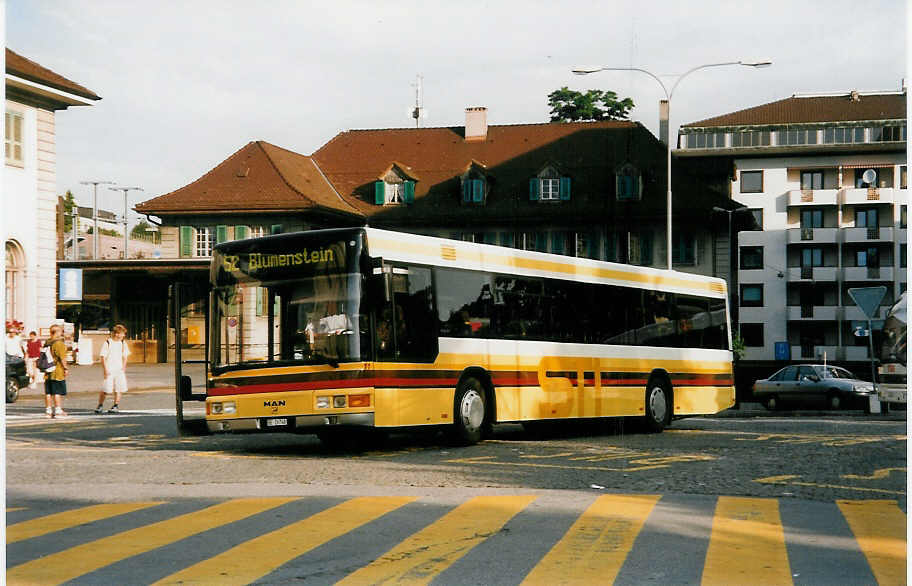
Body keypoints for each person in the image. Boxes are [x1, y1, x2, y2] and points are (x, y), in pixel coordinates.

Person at [96, 324, 130, 414]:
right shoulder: (108, 342)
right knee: (106, 388)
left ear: (123, 334)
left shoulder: (123, 343)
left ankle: (115, 405)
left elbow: (125, 357)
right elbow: (103, 357)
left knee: (119, 388)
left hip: (119, 369)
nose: (118, 335)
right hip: (110, 368)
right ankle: (100, 405)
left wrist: (123, 367)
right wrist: (105, 369)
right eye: (116, 333)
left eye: (120, 333)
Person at [44, 324, 68, 418]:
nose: (61, 333)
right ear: (57, 332)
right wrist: (65, 368)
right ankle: (58, 410)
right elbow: (62, 358)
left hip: (47, 370)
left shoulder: (47, 342)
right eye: (61, 331)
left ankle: (48, 411)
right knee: (56, 391)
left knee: (48, 392)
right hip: (57, 370)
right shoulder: (59, 343)